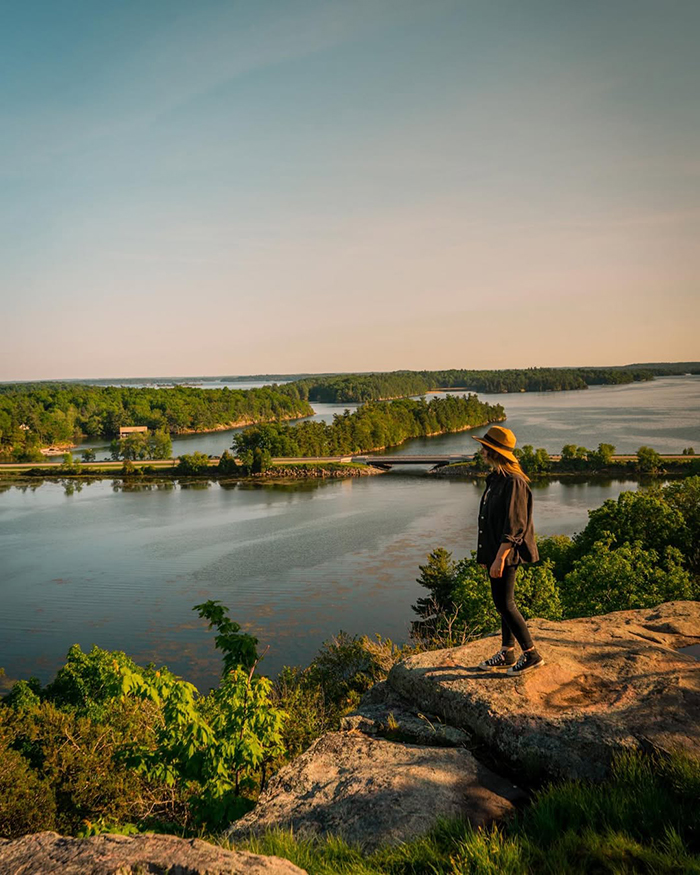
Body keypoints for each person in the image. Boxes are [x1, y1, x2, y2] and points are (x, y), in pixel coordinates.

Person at [472, 425, 544, 675]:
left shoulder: (514, 482)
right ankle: (507, 651)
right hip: (496, 551)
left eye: (484, 447)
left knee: (505, 603)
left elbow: (515, 524)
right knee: (501, 603)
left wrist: (500, 557)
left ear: (494, 451)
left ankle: (531, 654)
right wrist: (487, 556)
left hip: (507, 553)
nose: (481, 450)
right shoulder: (497, 479)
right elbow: (490, 521)